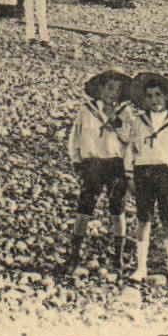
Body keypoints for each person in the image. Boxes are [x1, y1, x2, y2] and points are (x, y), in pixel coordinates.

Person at [122, 72, 168, 284]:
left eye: (158, 95)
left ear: (167, 98)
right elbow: (131, 149)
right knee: (143, 218)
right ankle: (141, 267)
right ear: (144, 100)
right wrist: (130, 175)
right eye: (150, 96)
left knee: (167, 219)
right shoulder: (139, 122)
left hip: (166, 175)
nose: (154, 100)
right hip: (143, 174)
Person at [64, 70, 132, 274]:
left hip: (116, 165)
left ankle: (118, 258)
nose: (114, 93)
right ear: (99, 89)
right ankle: (74, 255)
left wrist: (116, 121)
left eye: (118, 89)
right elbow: (75, 137)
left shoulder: (124, 113)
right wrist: (77, 160)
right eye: (110, 88)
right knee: (85, 208)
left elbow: (130, 138)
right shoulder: (87, 111)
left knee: (117, 209)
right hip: (93, 164)